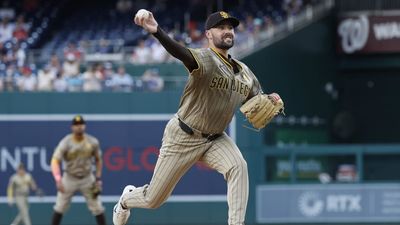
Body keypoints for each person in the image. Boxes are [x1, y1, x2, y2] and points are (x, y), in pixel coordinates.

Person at [113, 10, 265, 225]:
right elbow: (181, 53)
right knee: (154, 199)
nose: (227, 31)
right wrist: (157, 32)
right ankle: (126, 200)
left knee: (238, 166)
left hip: (215, 139)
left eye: (230, 27)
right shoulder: (206, 58)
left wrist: (271, 98)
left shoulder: (245, 72)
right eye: (221, 27)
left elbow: (257, 98)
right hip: (183, 135)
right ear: (209, 34)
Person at [50, 115, 107, 225]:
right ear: (72, 127)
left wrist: (98, 178)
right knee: (60, 207)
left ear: (84, 126)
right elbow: (55, 161)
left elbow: (98, 160)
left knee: (97, 207)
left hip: (87, 178)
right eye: (76, 125)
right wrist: (58, 179)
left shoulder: (92, 141)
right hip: (69, 178)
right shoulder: (66, 142)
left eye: (81, 124)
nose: (79, 127)